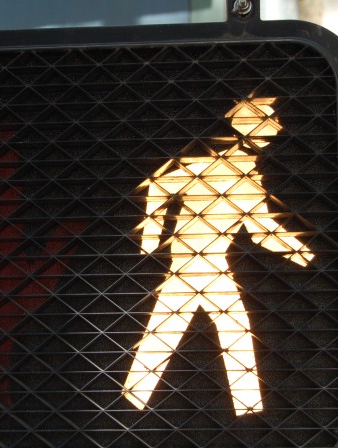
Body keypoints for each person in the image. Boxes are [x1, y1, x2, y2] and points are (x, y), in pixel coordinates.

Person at [122, 97, 314, 415]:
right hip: (191, 264)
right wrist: (150, 238)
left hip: (213, 264)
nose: (276, 128)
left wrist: (302, 253)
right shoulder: (206, 164)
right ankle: (247, 409)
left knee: (190, 329)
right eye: (268, 120)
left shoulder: (249, 179)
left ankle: (137, 399)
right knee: (219, 328)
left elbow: (262, 230)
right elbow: (158, 184)